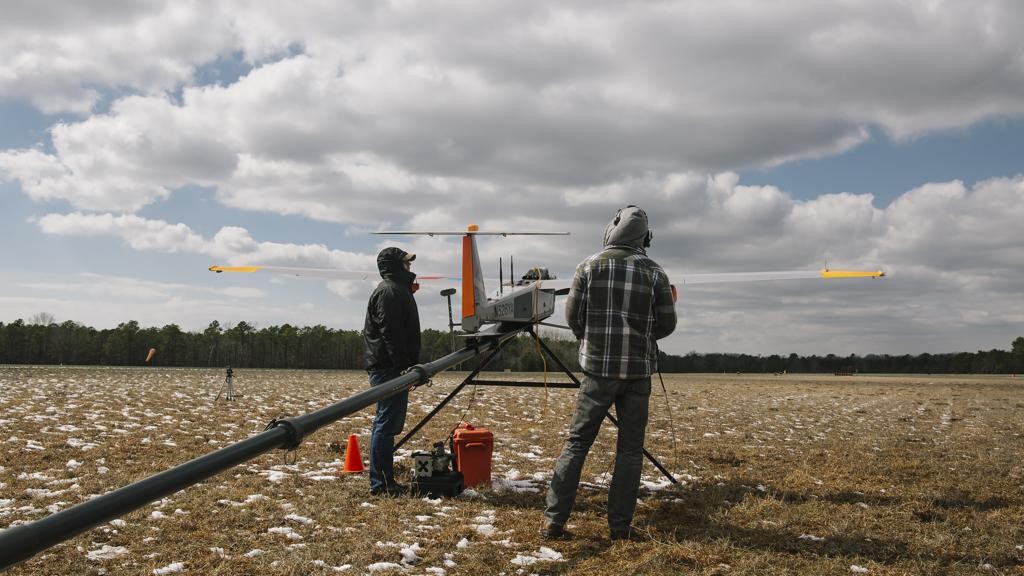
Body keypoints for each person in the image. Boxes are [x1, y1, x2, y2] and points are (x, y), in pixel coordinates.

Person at [543, 205, 677, 540]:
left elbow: (574, 317)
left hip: (596, 371)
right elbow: (668, 323)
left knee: (577, 443)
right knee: (630, 450)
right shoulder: (656, 273)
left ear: (611, 230)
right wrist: (642, 338)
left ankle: (554, 521)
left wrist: (592, 339)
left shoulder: (588, 266)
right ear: (645, 237)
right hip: (637, 374)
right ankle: (619, 527)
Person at [363, 247, 421, 496]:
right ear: (395, 266)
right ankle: (382, 484)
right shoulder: (388, 291)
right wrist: (403, 366)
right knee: (386, 424)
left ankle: (385, 480)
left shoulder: (397, 290)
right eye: (405, 263)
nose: (409, 267)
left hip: (393, 367)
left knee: (390, 423)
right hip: (389, 368)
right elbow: (391, 333)